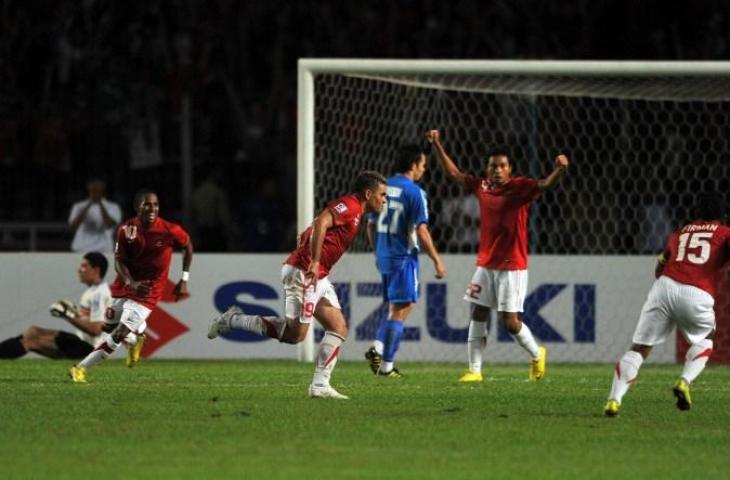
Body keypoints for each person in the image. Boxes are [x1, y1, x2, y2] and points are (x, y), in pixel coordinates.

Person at [207, 171, 388, 399]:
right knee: (295, 335)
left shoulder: (357, 213)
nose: (384, 200)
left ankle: (320, 385)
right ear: (368, 193)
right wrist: (314, 260)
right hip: (305, 273)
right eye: (382, 195)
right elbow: (322, 221)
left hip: (317, 276)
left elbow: (316, 227)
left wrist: (308, 243)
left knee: (339, 327)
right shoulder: (350, 205)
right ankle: (232, 320)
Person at [426, 129, 569, 382]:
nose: (497, 170)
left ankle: (537, 354)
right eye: (493, 166)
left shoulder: (520, 188)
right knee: (477, 313)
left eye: (502, 166)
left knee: (510, 322)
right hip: (486, 263)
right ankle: (475, 370)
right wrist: (437, 143)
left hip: (512, 265)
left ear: (510, 169)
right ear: (487, 167)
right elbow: (454, 174)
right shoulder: (481, 186)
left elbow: (545, 184)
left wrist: (559, 170)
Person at [603, 194, 730, 417]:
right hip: (697, 292)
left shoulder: (680, 233)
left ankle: (614, 400)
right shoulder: (724, 232)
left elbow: (660, 266)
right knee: (706, 338)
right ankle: (684, 381)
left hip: (664, 286)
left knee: (639, 349)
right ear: (723, 215)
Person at [68, 190, 194, 383]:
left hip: (148, 292)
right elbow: (119, 261)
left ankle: (80, 369)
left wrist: (184, 279)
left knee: (119, 333)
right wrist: (130, 282)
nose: (152, 209)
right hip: (125, 284)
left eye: (156, 205)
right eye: (147, 204)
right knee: (109, 327)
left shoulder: (169, 229)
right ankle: (137, 339)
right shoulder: (126, 230)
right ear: (138, 208)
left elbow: (187, 245)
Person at [364, 145, 446, 377]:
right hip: (403, 258)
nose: (423, 170)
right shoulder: (415, 192)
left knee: (394, 308)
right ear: (413, 165)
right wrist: (437, 260)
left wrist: (377, 250)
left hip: (384, 257)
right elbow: (422, 230)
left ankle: (381, 355)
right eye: (422, 165)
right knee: (403, 308)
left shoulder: (382, 187)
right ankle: (384, 360)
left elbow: (370, 224)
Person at [0, 252, 143, 364]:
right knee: (33, 331)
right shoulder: (91, 291)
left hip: (91, 350)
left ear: (96, 270)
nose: (79, 270)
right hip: (80, 342)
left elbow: (97, 330)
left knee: (31, 341)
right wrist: (74, 313)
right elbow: (89, 322)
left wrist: (68, 315)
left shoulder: (101, 293)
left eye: (84, 266)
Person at [68, 177, 122, 253]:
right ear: (88, 188)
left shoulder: (113, 207)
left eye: (98, 188)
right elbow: (73, 226)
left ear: (103, 188)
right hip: (81, 248)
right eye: (94, 188)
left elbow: (110, 225)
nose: (96, 190)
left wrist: (100, 203)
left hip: (104, 249)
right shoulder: (78, 206)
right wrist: (89, 203)